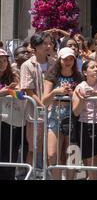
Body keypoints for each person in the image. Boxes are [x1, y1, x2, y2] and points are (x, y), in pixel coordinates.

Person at [41, 47, 82, 180]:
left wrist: (73, 94)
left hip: (73, 116)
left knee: (72, 154)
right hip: (55, 116)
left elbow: (82, 97)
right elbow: (44, 101)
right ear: (59, 60)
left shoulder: (79, 77)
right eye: (65, 59)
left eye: (71, 59)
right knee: (52, 154)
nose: (68, 61)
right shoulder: (51, 76)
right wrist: (55, 92)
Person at [20, 32, 55, 166]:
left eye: (49, 43)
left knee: (50, 148)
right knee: (34, 148)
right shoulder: (27, 65)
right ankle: (31, 172)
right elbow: (29, 90)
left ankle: (48, 174)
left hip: (53, 113)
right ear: (35, 46)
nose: (48, 46)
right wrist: (44, 105)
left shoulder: (54, 62)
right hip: (35, 113)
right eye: (44, 43)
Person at [0, 49, 25, 180]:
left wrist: (11, 91)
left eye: (4, 60)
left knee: (10, 154)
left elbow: (21, 96)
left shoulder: (13, 76)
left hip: (11, 121)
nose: (2, 63)